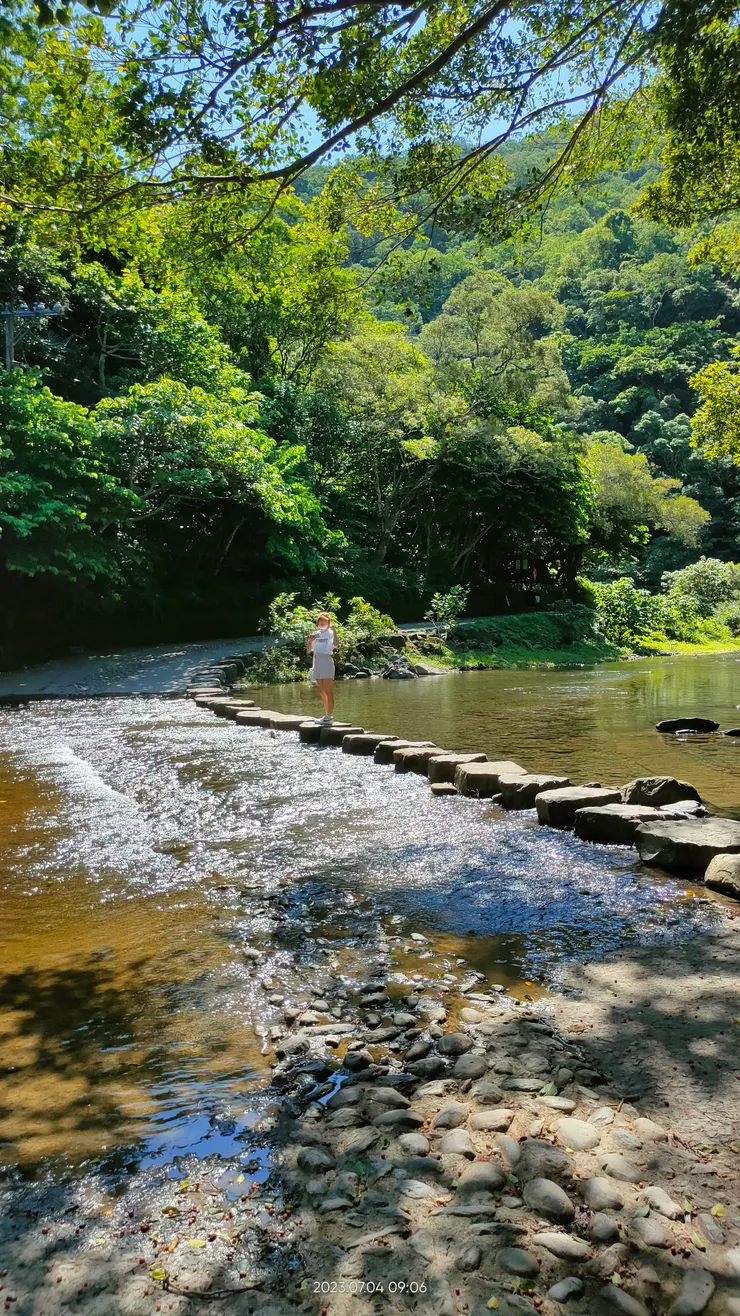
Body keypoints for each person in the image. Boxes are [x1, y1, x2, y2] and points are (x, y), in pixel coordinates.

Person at [306, 612, 338, 722]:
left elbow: (337, 645)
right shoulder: (315, 634)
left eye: (325, 622)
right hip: (317, 661)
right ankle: (326, 716)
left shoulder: (330, 633)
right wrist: (309, 641)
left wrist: (335, 632)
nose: (322, 624)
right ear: (318, 624)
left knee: (329, 690)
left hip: (327, 660)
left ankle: (329, 716)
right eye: (320, 622)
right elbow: (309, 650)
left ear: (328, 623)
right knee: (322, 691)